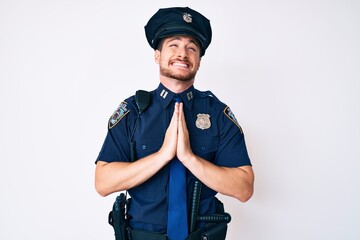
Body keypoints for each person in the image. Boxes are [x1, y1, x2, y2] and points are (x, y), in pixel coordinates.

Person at [95, 6, 254, 240]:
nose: (183, 53)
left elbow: (244, 188)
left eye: (192, 47)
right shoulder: (132, 112)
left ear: (199, 60)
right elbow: (103, 183)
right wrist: (162, 155)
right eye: (174, 45)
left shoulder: (217, 114)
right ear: (157, 55)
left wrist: (189, 158)